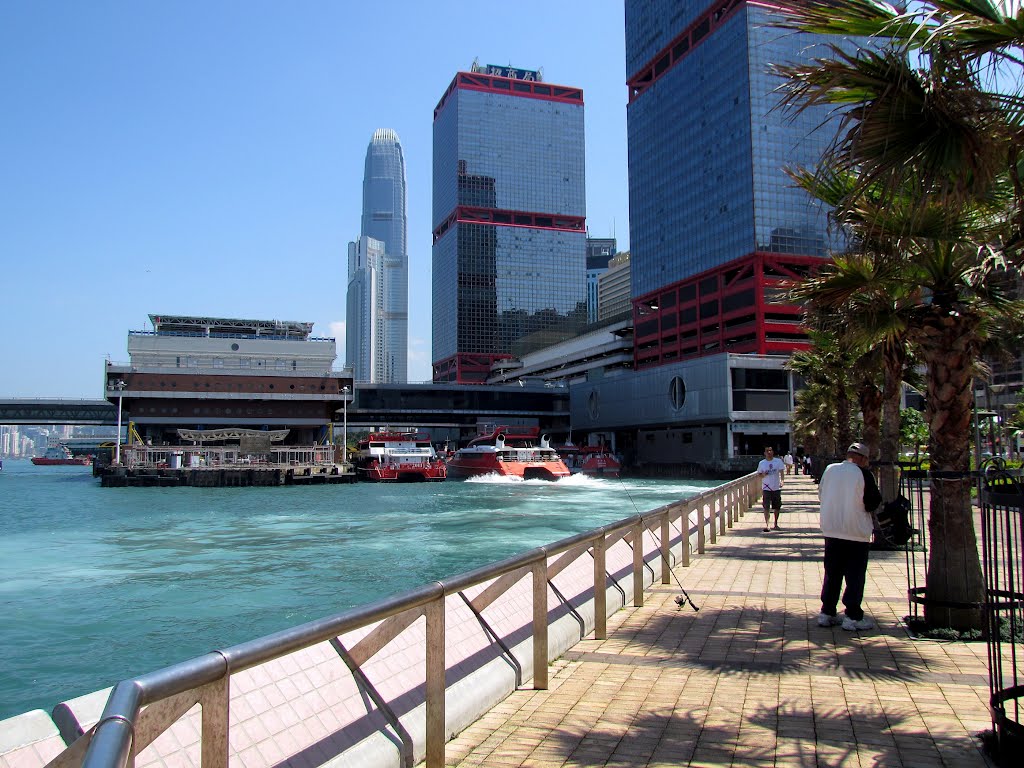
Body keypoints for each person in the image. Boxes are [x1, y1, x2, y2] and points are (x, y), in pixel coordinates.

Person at [816, 441, 883, 631]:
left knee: (832, 573)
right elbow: (872, 502)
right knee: (854, 575)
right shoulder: (863, 474)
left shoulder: (829, 470)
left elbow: (821, 494)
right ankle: (852, 615)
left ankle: (827, 612)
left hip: (831, 529)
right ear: (862, 459)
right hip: (855, 532)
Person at [756, 446, 785, 531]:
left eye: (770, 450)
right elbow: (759, 474)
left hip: (776, 487)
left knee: (777, 507)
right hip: (766, 487)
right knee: (766, 507)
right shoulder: (762, 463)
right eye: (767, 451)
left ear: (773, 452)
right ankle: (767, 524)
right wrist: (763, 475)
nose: (769, 452)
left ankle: (775, 523)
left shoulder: (778, 461)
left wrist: (782, 481)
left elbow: (782, 472)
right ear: (764, 453)